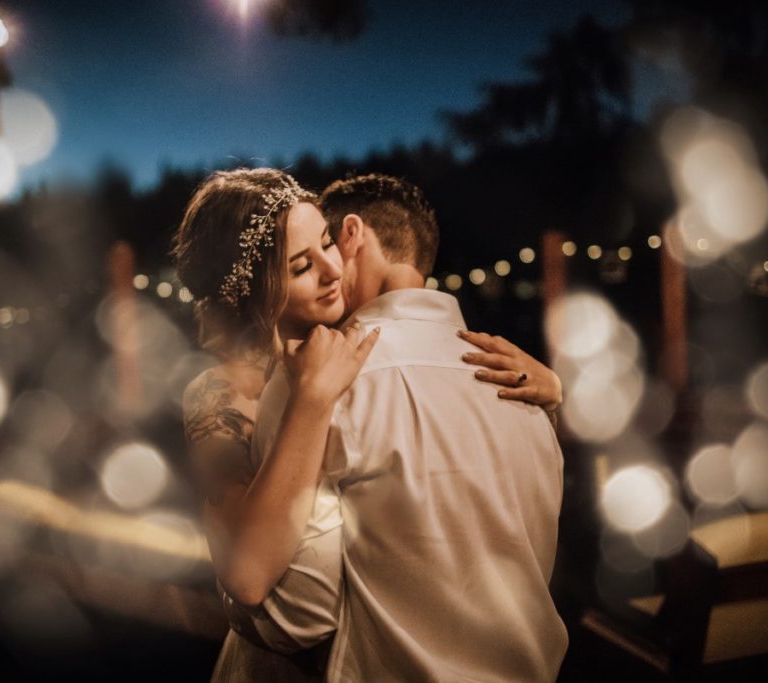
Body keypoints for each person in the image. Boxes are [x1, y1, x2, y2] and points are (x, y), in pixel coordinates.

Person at [172, 168, 563, 681]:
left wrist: (554, 396)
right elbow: (254, 583)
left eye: (328, 243)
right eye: (300, 266)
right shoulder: (224, 393)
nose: (333, 270)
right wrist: (310, 400)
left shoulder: (357, 361)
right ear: (255, 289)